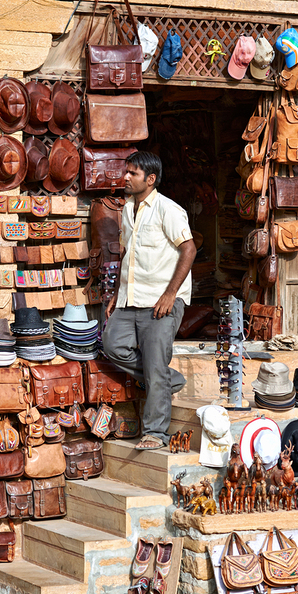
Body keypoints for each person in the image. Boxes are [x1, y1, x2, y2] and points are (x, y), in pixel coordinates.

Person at [102, 151, 197, 450]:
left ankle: (155, 433)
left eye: (133, 173)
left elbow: (189, 250)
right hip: (132, 298)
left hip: (161, 302)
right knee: (112, 345)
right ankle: (168, 378)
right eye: (126, 172)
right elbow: (129, 256)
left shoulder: (169, 210)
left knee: (155, 364)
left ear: (150, 179)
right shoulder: (128, 209)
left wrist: (170, 294)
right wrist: (118, 293)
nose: (126, 177)